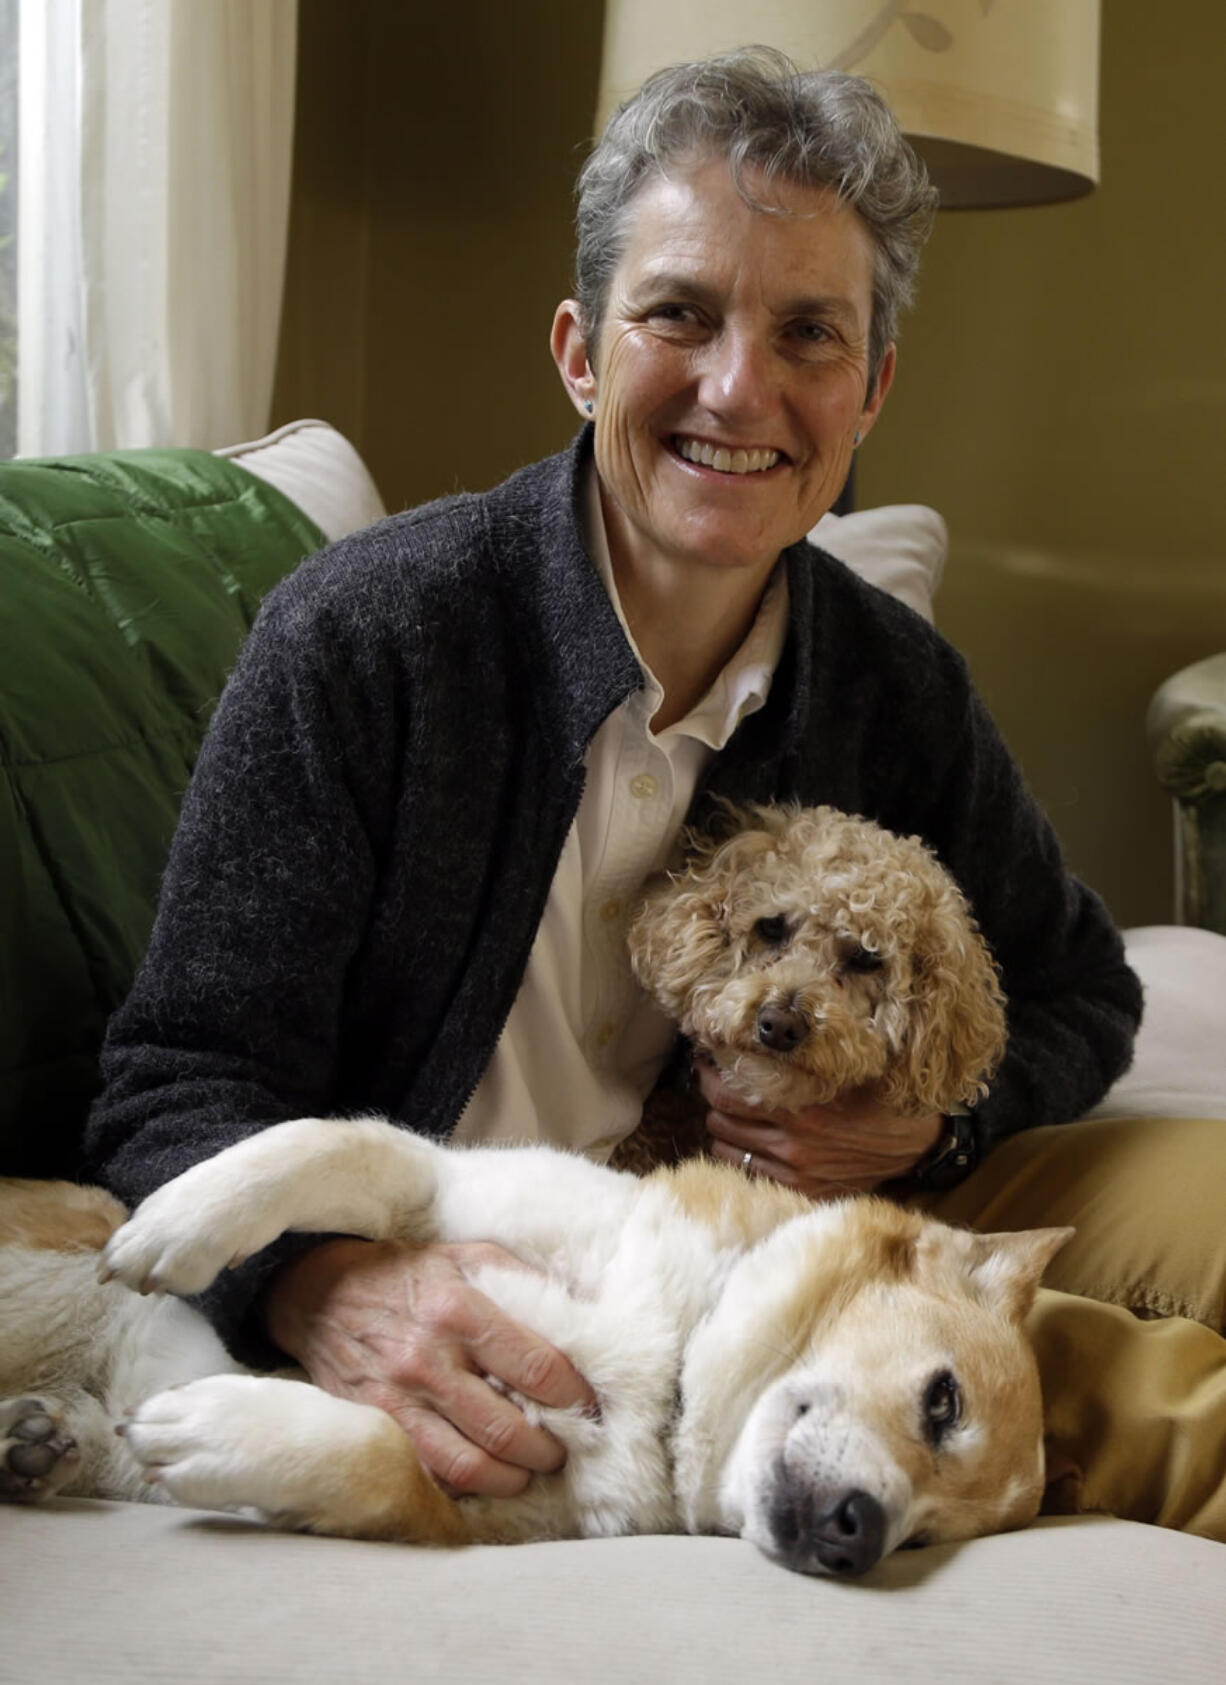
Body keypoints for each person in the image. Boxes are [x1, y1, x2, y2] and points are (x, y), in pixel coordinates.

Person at [86, 50, 1222, 1531]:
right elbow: (171, 1080)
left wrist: (924, 1133)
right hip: (550, 1285)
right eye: (679, 314)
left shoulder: (889, 682)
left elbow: (1081, 986)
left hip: (817, 1247)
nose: (737, 388)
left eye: (808, 334)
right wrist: (318, 1280)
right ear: (580, 349)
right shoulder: (370, 636)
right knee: (1131, 1403)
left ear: (871, 386)